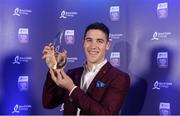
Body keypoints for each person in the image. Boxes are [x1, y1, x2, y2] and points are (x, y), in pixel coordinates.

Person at [42, 22, 130, 115]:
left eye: (99, 41)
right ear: (84, 43)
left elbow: (106, 114)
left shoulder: (119, 78)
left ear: (107, 45)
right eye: (89, 40)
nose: (93, 46)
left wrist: (72, 88)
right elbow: (48, 103)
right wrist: (54, 67)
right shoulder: (72, 74)